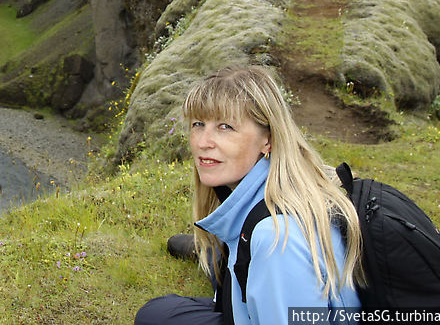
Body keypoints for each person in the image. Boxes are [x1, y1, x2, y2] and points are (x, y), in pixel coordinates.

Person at [135, 65, 363, 324]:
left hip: (270, 274)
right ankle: (214, 254)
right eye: (199, 124)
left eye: (225, 127)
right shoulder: (288, 183)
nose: (202, 142)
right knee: (160, 312)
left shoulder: (275, 242)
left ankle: (214, 256)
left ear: (268, 139)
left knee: (155, 317)